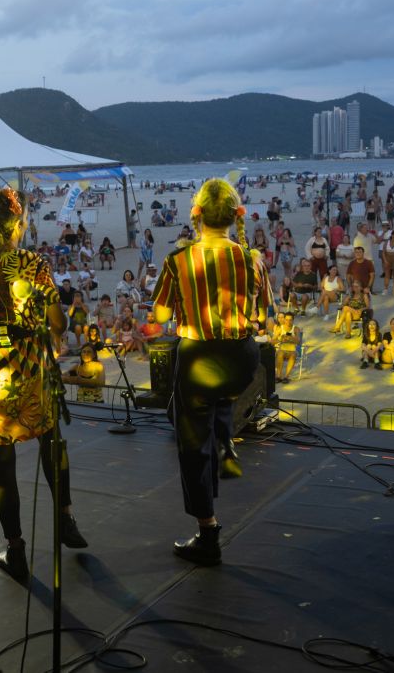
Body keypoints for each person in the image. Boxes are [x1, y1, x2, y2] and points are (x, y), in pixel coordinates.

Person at [0, 188, 86, 583]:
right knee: (51, 440)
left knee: (1, 461)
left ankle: (15, 549)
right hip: (28, 362)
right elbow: (58, 322)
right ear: (13, 225)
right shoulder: (31, 263)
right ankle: (65, 519)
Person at [151, 178, 271, 566]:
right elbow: (263, 312)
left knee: (190, 443)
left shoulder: (179, 260)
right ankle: (223, 433)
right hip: (242, 359)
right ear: (235, 216)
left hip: (200, 359)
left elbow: (161, 316)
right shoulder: (251, 258)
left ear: (197, 214)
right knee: (208, 402)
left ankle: (207, 531)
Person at [271, 311, 300, 383]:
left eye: (290, 320)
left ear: (293, 320)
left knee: (293, 354)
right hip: (282, 349)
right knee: (280, 353)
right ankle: (278, 376)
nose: (288, 322)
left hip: (292, 350)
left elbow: (298, 341)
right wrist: (280, 340)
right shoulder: (280, 328)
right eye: (286, 320)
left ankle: (286, 377)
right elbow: (272, 341)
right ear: (284, 319)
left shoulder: (296, 329)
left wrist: (290, 338)